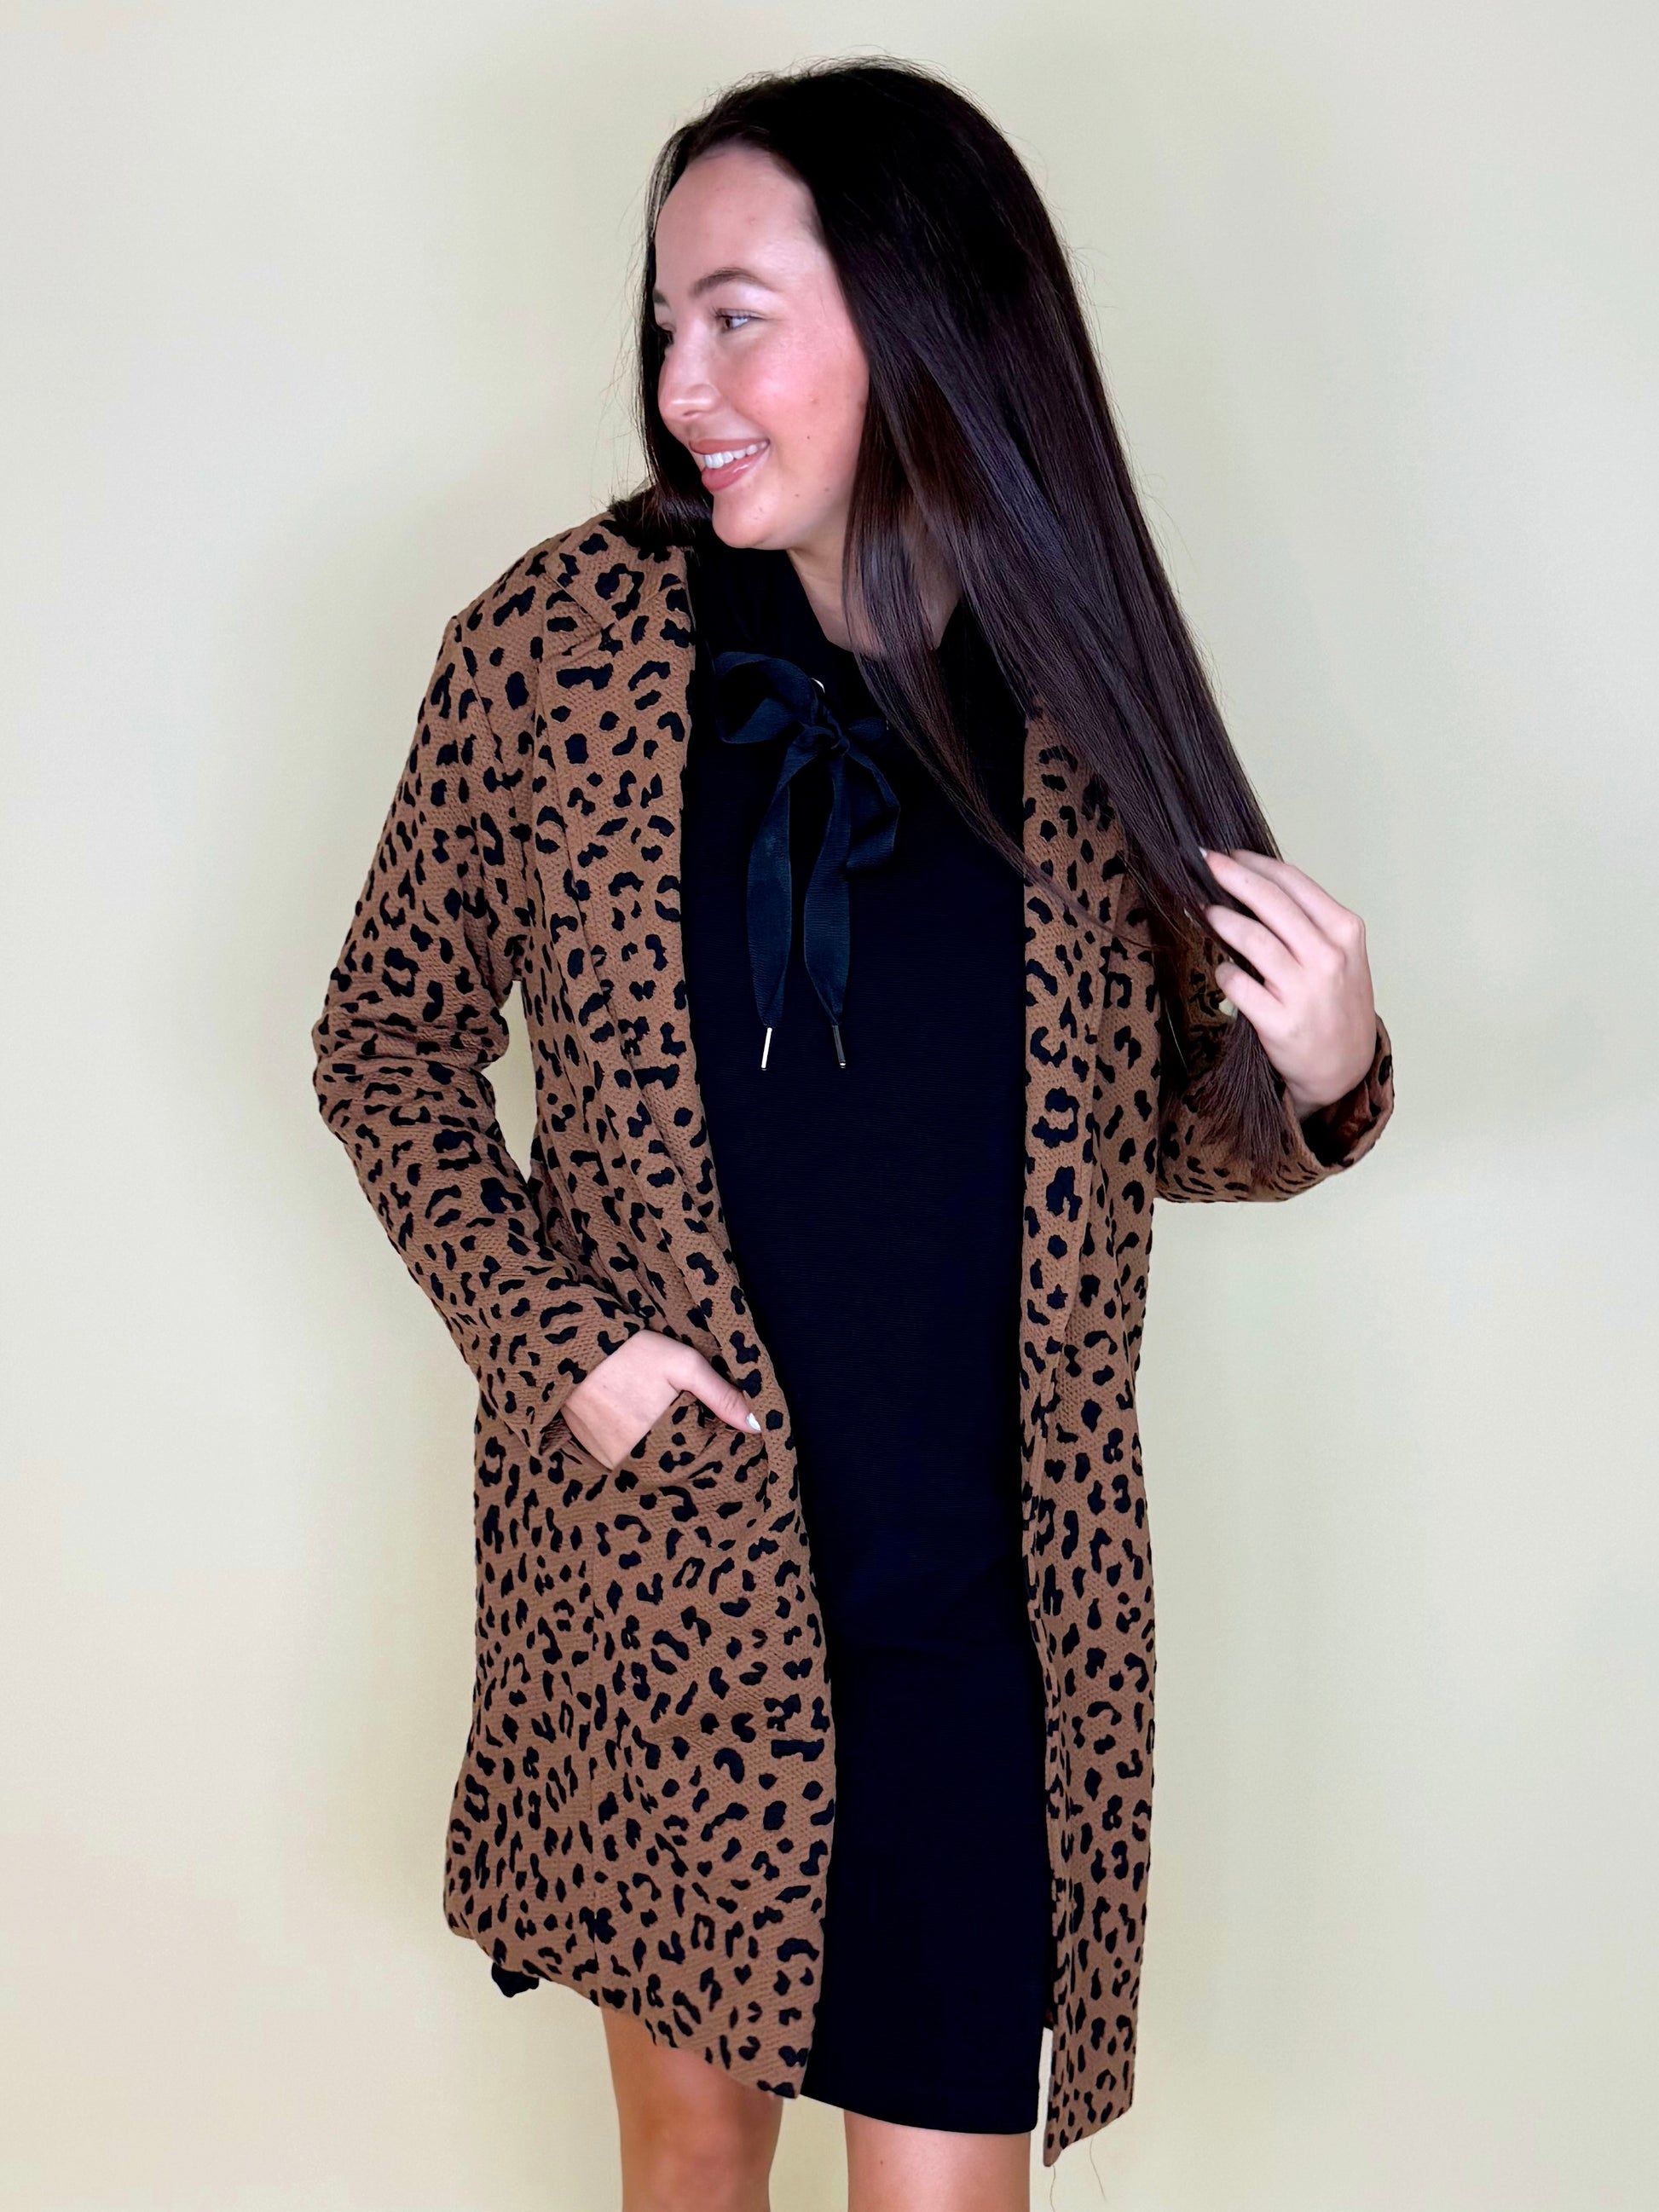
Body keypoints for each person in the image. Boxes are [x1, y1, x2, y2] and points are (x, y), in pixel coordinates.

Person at [311, 58, 1395, 2212]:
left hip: (981, 1597)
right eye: (663, 323)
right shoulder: (553, 649)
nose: (677, 382)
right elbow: (386, 1043)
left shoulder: (1074, 681)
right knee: (689, 2167)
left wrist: (1322, 1068)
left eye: (736, 316)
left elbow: (1156, 1136)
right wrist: (568, 1352)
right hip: (673, 1570)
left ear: (917, 318)